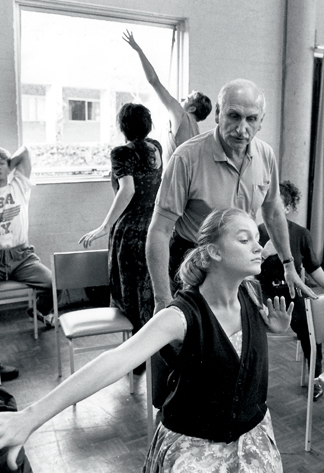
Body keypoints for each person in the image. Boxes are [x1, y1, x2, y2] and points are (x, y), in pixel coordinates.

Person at [0, 208, 294, 472]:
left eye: (257, 238)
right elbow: (113, 361)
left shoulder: (250, 295)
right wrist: (30, 417)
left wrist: (272, 330)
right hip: (197, 449)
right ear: (214, 251)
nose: (259, 246)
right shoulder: (181, 316)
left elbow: (234, 354)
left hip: (253, 441)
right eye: (245, 239)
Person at [145, 78, 316, 407]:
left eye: (251, 119)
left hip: (240, 268)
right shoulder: (187, 158)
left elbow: (274, 212)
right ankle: (179, 423)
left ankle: (236, 417)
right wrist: (161, 298)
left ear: (261, 121)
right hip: (195, 266)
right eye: (233, 117)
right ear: (218, 115)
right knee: (191, 363)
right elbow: (160, 230)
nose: (242, 128)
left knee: (242, 354)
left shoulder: (264, 155)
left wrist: (289, 265)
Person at [79, 103, 162, 342]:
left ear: (123, 126)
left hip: (131, 231)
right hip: (155, 225)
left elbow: (127, 190)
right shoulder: (156, 147)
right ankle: (153, 348)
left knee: (131, 294)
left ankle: (136, 353)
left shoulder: (121, 153)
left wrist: (105, 226)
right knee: (152, 289)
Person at [0, 146, 55, 381]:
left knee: (52, 283)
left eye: (0, 164)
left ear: (9, 166)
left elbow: (24, 151)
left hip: (21, 257)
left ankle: (38, 312)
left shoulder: (19, 186)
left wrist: (3, 163)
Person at [258, 180, 324, 401]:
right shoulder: (256, 232)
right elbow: (246, 273)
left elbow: (314, 268)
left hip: (295, 297)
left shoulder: (301, 234)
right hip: (265, 297)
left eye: (278, 204)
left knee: (311, 328)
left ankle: (316, 378)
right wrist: (264, 254)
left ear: (287, 208)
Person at [123, 30, 212, 165]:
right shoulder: (196, 131)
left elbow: (153, 80)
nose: (182, 99)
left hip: (173, 182)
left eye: (186, 99)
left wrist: (139, 50)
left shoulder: (181, 115)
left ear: (192, 108)